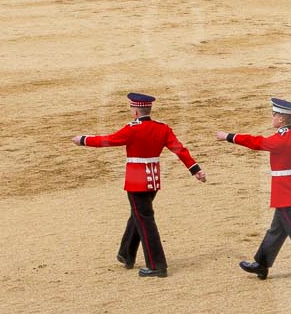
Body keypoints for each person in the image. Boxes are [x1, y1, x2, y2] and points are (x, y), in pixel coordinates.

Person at [73, 92, 205, 278]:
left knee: (145, 220)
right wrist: (194, 168)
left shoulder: (132, 129)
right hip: (153, 179)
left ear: (135, 111)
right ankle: (126, 253)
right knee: (139, 214)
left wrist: (83, 140)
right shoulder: (162, 128)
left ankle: (157, 265)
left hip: (136, 181)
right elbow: (179, 149)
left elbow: (108, 140)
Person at [218, 98, 291, 286]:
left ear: (282, 119)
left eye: (274, 114)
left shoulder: (280, 140)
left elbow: (256, 142)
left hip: (285, 193)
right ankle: (261, 264)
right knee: (277, 230)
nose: (272, 117)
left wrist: (229, 136)